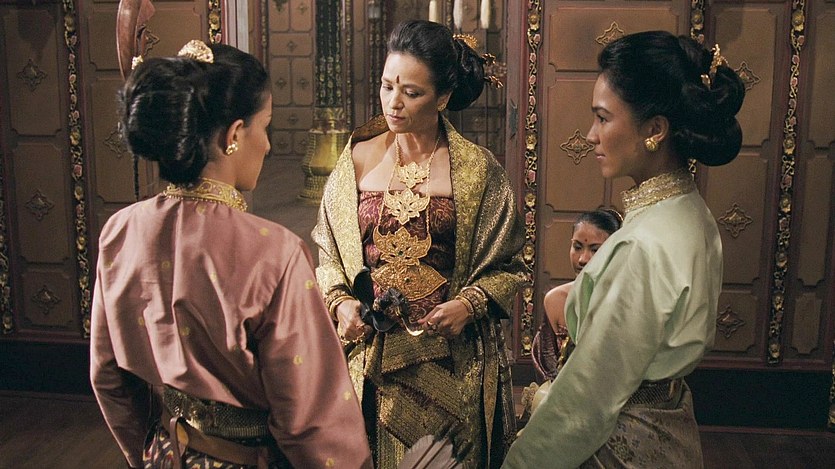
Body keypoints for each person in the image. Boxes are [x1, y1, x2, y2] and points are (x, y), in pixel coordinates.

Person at [90, 40, 372, 469]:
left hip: (167, 454)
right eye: (265, 126)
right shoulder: (275, 253)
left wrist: (149, 454)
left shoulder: (120, 231)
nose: (268, 145)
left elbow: (109, 377)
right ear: (234, 135)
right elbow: (310, 420)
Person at [504, 30, 745, 468]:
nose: (591, 135)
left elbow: (588, 398)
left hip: (622, 442)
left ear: (654, 130)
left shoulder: (642, 244)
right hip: (668, 429)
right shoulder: (690, 211)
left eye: (603, 118)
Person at [312, 20, 526, 469]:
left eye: (411, 92)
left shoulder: (477, 171)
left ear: (442, 98)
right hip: (370, 362)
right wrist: (339, 303)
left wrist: (467, 305)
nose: (394, 102)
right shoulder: (357, 158)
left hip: (449, 363)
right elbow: (330, 252)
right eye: (387, 86)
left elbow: (509, 266)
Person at [531, 208, 621, 382]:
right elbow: (548, 371)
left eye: (595, 250)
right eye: (577, 247)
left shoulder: (627, 302)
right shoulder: (556, 301)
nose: (582, 259)